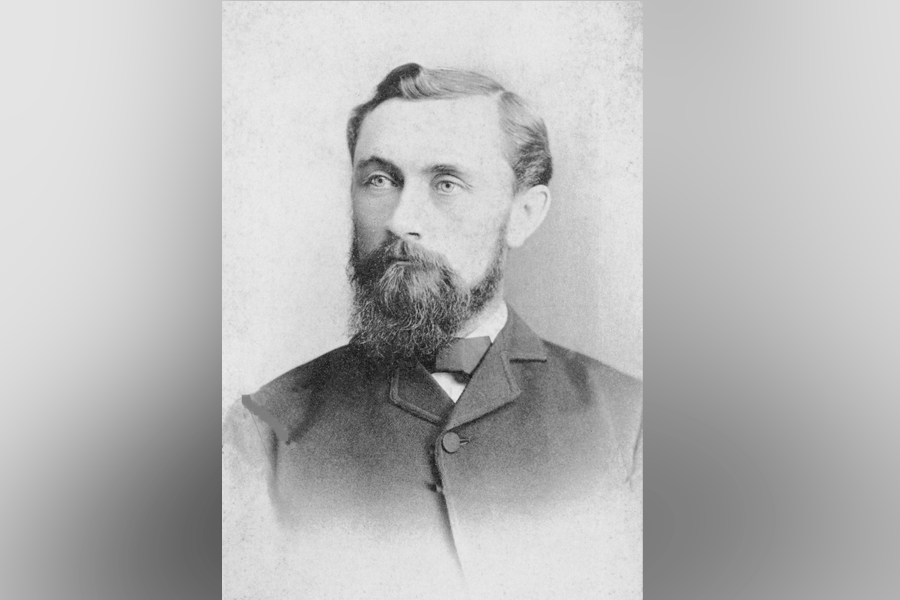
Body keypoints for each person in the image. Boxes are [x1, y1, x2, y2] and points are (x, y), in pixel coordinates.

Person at [222, 63, 642, 600]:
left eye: (446, 182)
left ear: (524, 214)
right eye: (379, 180)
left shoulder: (632, 427)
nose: (401, 219)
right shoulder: (262, 436)